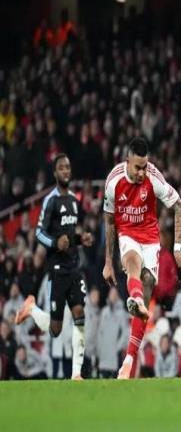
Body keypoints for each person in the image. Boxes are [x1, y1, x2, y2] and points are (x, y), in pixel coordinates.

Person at [102, 137, 181, 379]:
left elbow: (179, 206)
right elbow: (109, 222)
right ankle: (137, 300)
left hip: (151, 239)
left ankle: (129, 359)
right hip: (127, 234)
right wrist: (108, 262)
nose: (142, 172)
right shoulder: (113, 181)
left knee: (148, 282)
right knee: (132, 262)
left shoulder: (154, 177)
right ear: (127, 161)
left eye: (145, 166)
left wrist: (177, 248)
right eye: (138, 167)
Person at [15, 153, 94, 380]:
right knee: (55, 330)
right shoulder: (51, 200)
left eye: (68, 167)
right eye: (61, 168)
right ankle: (31, 309)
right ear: (55, 173)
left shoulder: (74, 200)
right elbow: (39, 232)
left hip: (74, 267)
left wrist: (80, 239)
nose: (66, 171)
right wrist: (55, 243)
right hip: (57, 269)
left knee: (79, 313)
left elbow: (69, 235)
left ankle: (76, 374)